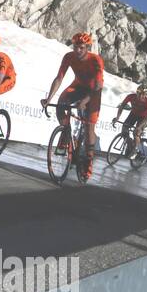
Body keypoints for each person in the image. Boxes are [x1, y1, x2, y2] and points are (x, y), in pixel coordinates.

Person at [41, 32, 104, 181]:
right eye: (76, 47)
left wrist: (86, 100)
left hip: (93, 91)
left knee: (89, 127)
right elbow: (59, 78)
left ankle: (88, 160)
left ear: (88, 47)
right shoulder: (68, 57)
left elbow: (98, 85)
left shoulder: (96, 60)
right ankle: (65, 133)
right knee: (61, 104)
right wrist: (49, 98)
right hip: (78, 86)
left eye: (82, 48)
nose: (78, 51)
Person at [112, 84, 147, 154]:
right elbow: (122, 106)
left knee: (136, 133)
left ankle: (136, 150)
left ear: (146, 95)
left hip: (143, 118)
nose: (141, 96)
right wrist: (117, 117)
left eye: (143, 94)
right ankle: (130, 145)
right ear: (137, 92)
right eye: (139, 93)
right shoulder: (131, 97)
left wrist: (139, 127)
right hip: (133, 114)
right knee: (124, 129)